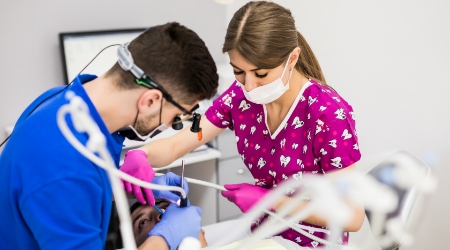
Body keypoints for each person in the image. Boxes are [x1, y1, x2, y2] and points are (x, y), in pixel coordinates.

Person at [120, 1, 365, 248]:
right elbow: (178, 144)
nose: (248, 86)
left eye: (260, 74)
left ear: (292, 58)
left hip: (312, 242)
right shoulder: (240, 97)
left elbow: (353, 217)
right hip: (264, 231)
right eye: (238, 71)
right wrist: (142, 154)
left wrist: (271, 201)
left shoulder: (327, 113)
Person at [0, 22, 218, 249]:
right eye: (176, 117)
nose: (171, 125)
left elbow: (76, 195)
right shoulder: (64, 168)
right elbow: (68, 184)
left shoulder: (67, 102)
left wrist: (125, 186)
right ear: (150, 101)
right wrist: (164, 239)